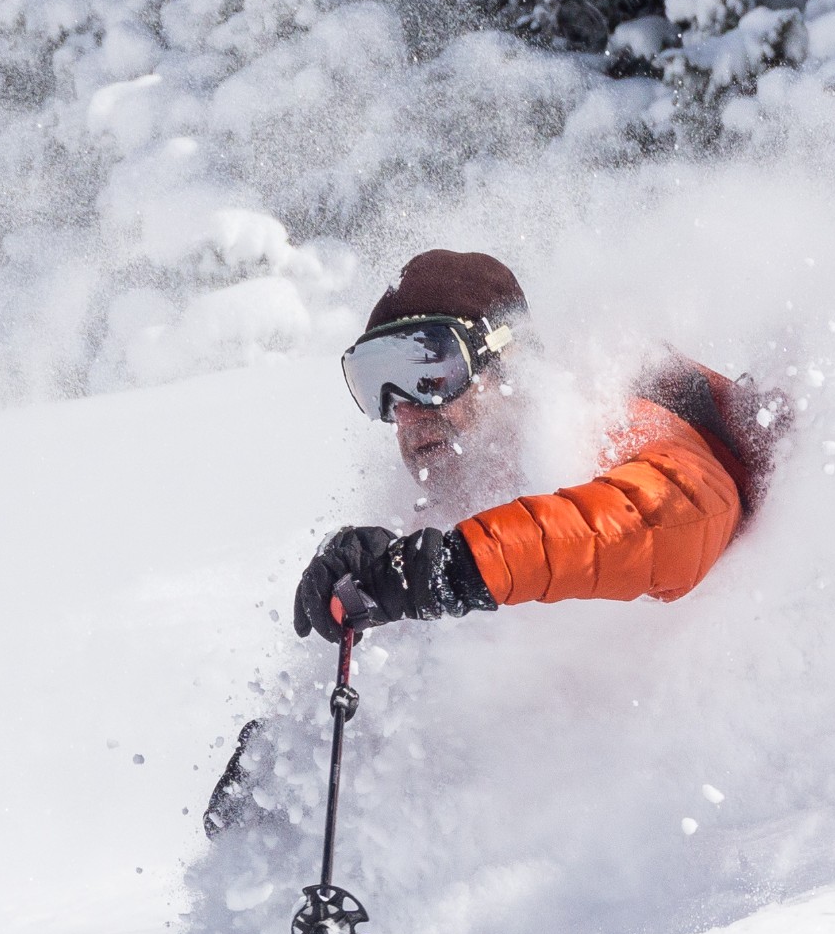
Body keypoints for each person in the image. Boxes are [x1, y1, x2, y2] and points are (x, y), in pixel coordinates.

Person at [290, 249, 770, 643]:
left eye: (430, 373)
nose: (407, 409)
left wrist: (453, 566)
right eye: (378, 383)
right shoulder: (448, 489)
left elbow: (678, 512)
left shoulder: (598, 414)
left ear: (507, 364)